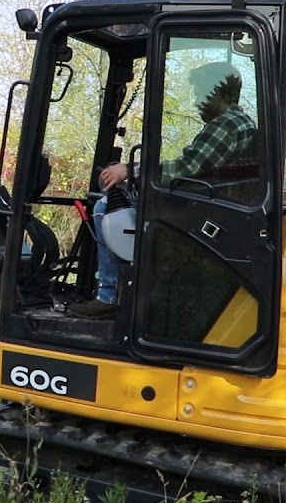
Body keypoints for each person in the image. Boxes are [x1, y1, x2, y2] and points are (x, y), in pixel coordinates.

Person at [67, 61, 256, 320]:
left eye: (201, 92)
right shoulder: (241, 123)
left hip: (202, 215)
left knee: (106, 207)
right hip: (212, 206)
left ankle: (109, 295)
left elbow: (186, 168)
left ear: (221, 93)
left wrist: (131, 170)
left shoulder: (226, 125)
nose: (197, 100)